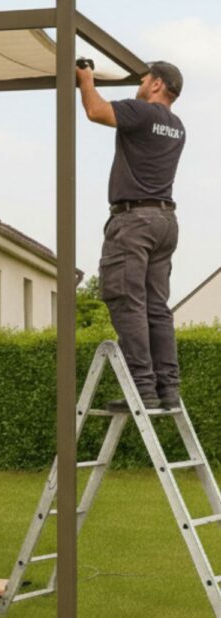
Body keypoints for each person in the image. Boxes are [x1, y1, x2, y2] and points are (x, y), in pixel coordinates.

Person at [76, 58, 185, 412]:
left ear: (157, 85)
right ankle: (167, 388)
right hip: (164, 221)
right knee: (156, 307)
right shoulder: (177, 126)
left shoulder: (143, 112)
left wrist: (85, 78)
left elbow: (95, 111)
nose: (140, 82)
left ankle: (141, 387)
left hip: (134, 221)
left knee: (127, 300)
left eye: (145, 77)